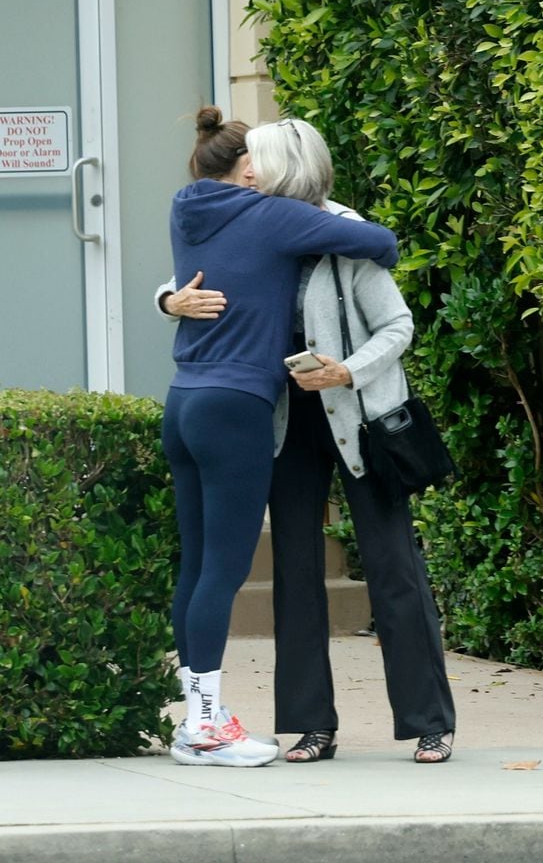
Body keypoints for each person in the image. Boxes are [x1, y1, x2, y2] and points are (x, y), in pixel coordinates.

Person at [158, 116, 456, 764]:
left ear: (282, 168)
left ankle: (429, 720)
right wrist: (167, 299)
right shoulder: (254, 219)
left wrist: (348, 370)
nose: (249, 172)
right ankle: (310, 724)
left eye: (258, 161)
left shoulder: (337, 230)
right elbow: (199, 274)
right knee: (295, 569)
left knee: (392, 565)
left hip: (355, 416)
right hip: (284, 421)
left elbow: (398, 324)